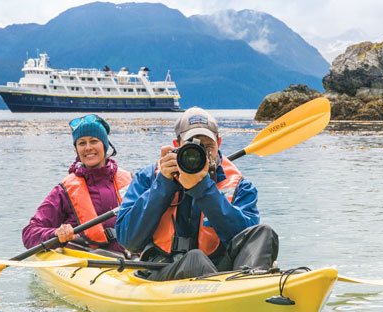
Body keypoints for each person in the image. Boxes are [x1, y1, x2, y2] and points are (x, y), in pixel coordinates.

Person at [116, 107, 278, 281]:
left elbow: (243, 238)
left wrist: (204, 189)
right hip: (163, 268)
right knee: (196, 259)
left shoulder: (241, 185)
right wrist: (164, 185)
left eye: (208, 146)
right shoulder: (148, 178)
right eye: (192, 145)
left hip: (219, 269)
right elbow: (129, 241)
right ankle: (236, 296)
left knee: (264, 232)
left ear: (219, 143)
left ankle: (248, 288)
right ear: (176, 145)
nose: (202, 153)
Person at [22, 114, 131, 254]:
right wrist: (56, 233)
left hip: (130, 259)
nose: (88, 148)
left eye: (94, 141)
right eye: (82, 143)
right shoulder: (64, 190)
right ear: (76, 150)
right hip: (87, 260)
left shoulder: (131, 181)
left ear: (105, 146)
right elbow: (29, 233)